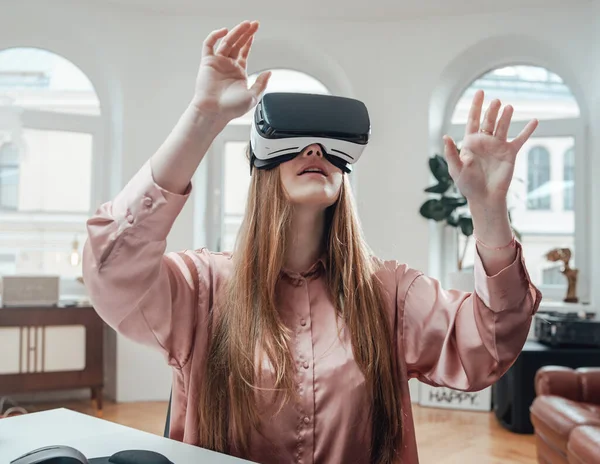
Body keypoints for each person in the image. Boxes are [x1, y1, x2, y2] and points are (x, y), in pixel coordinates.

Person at [82, 20, 542, 464]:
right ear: (263, 166)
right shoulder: (203, 289)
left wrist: (487, 210)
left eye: (327, 145)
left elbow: (489, 347)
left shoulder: (391, 295)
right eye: (297, 141)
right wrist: (203, 118)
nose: (314, 151)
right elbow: (112, 271)